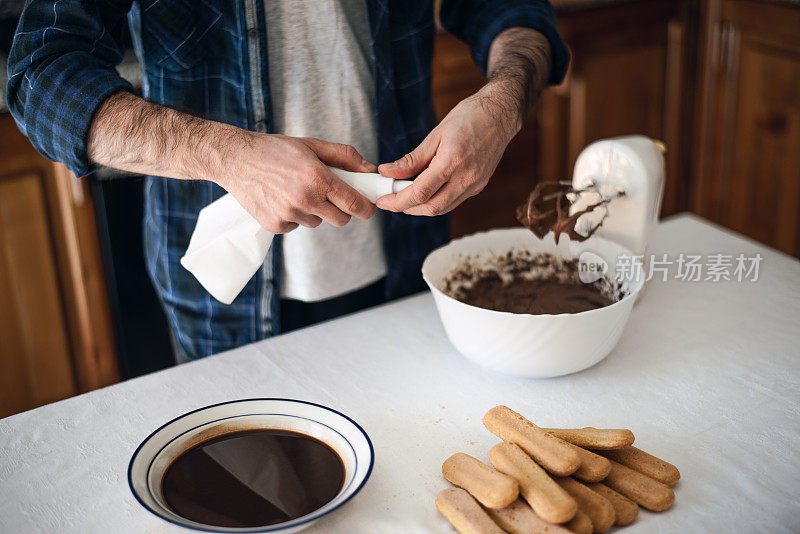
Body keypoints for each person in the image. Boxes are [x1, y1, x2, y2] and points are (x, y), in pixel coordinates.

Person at [7, 1, 568, 361]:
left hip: (408, 266)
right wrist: (229, 156)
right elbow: (39, 74)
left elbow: (510, 8)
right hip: (227, 306)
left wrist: (505, 100)